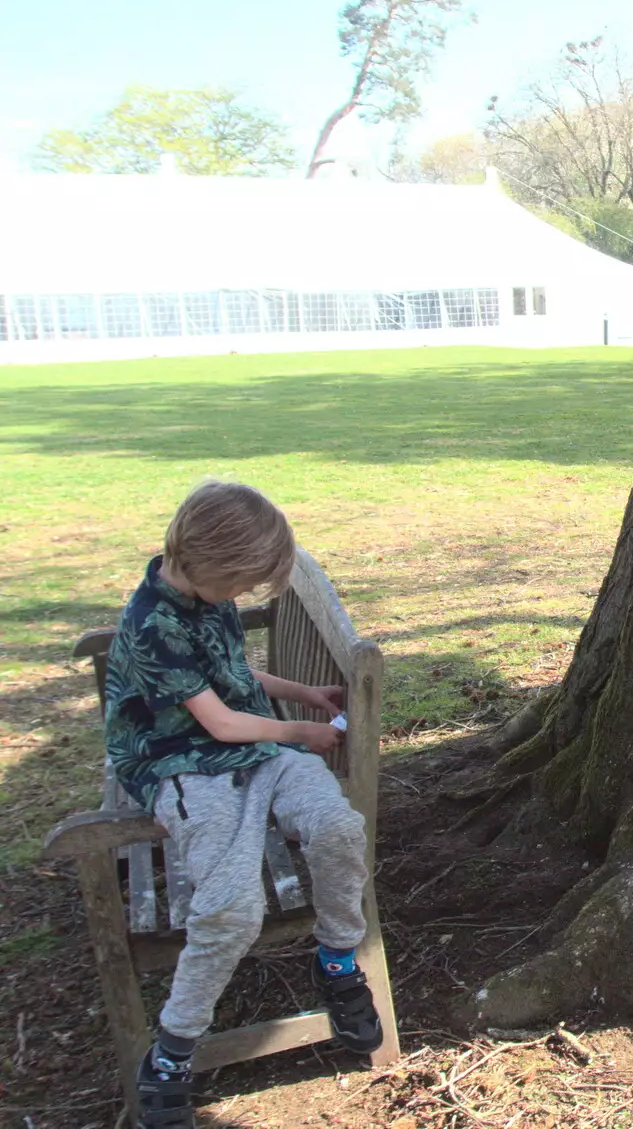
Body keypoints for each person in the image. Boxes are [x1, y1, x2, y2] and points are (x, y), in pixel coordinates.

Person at [102, 481, 382, 1129]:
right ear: (216, 567)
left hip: (251, 747)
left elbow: (233, 678)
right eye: (244, 583)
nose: (246, 596)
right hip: (184, 763)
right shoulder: (151, 623)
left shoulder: (204, 594)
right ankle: (171, 1052)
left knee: (339, 825)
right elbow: (220, 724)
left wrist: (304, 692)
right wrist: (301, 732)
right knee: (233, 906)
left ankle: (337, 960)